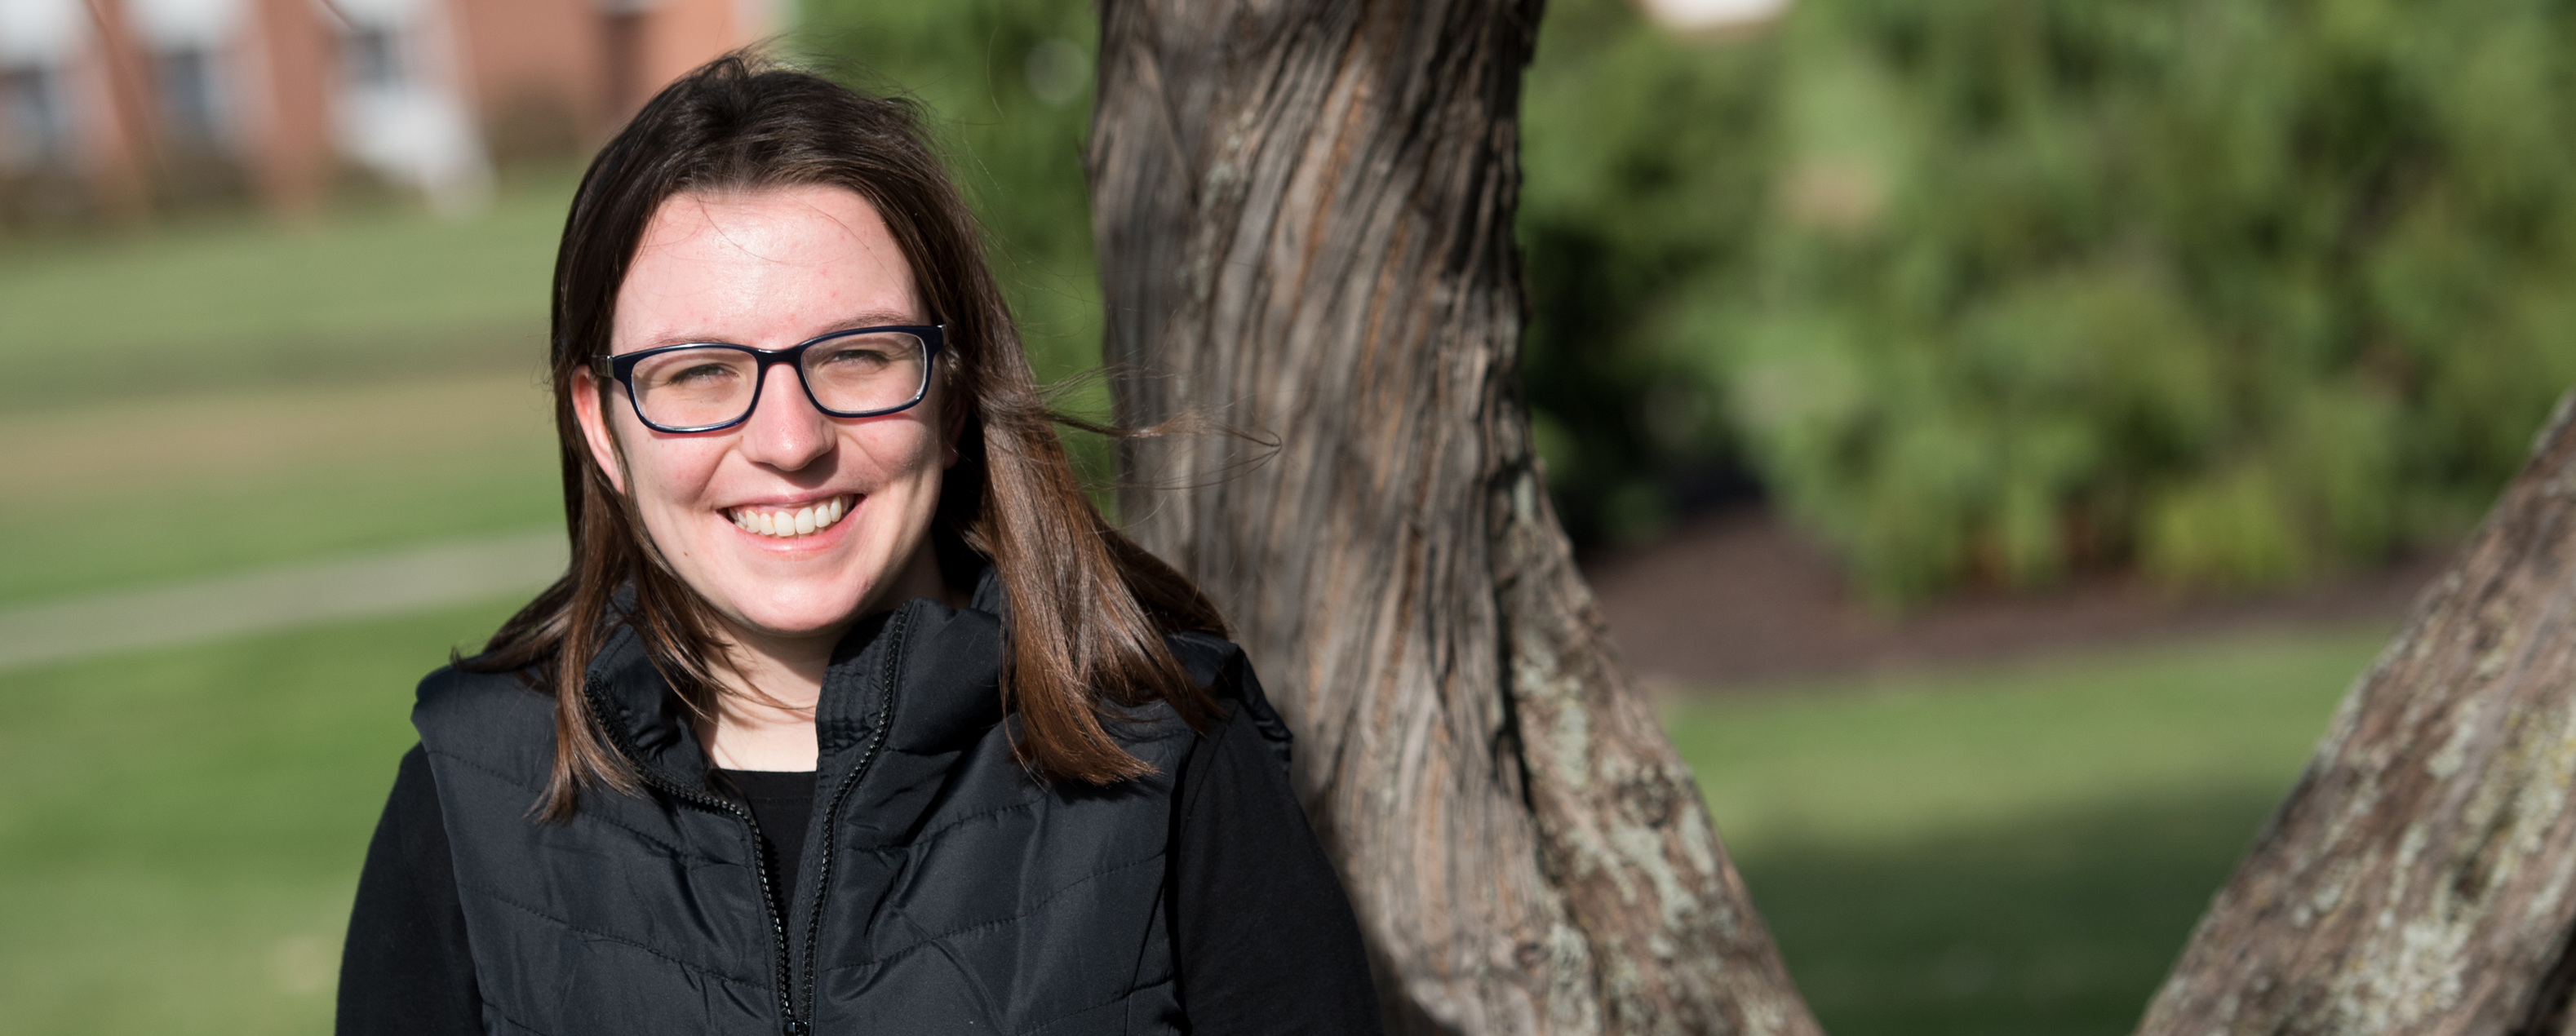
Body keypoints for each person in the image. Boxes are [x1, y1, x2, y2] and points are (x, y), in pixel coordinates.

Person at [335, 55, 1380, 1035]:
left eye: (857, 356)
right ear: (602, 424)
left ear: (954, 393)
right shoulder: (467, 794)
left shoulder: (1166, 762)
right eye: (699, 373)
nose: (790, 443)